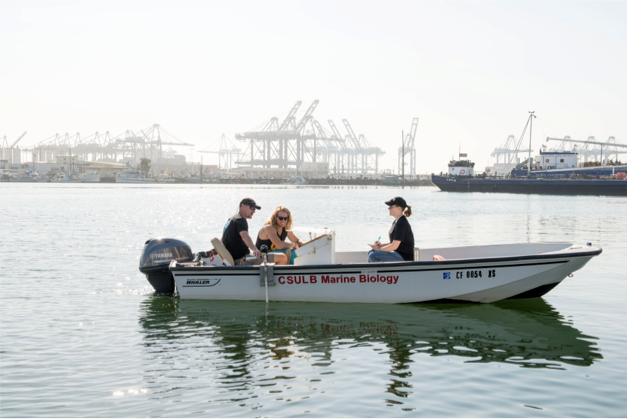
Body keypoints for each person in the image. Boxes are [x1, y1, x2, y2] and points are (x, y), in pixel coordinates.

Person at [368, 197, 415, 262]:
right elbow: (393, 243)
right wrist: (381, 245)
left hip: (404, 257)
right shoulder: (396, 222)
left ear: (399, 208)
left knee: (373, 255)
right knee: (371, 252)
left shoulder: (401, 224)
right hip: (397, 253)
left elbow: (394, 246)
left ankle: (380, 272)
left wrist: (379, 249)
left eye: (391, 207)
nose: (388, 208)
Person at [221, 197, 263, 265]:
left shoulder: (231, 220)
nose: (254, 211)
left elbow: (222, 239)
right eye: (252, 208)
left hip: (236, 259)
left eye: (255, 209)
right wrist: (255, 249)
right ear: (243, 206)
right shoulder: (241, 220)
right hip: (242, 261)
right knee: (281, 257)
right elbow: (245, 236)